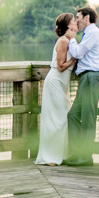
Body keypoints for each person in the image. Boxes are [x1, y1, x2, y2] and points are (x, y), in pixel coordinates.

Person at [63, 6, 99, 166]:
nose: (76, 21)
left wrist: (72, 39)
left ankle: (86, 157)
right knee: (73, 116)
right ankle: (77, 153)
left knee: (88, 118)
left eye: (78, 17)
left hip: (92, 77)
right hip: (87, 79)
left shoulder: (93, 33)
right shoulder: (89, 34)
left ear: (87, 17)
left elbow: (77, 53)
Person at [35, 14, 78, 165]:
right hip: (55, 82)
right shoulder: (63, 41)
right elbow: (60, 66)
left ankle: (61, 154)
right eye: (74, 20)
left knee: (63, 117)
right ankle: (50, 157)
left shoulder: (70, 41)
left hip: (62, 85)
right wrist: (75, 58)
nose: (76, 22)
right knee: (58, 119)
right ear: (68, 25)